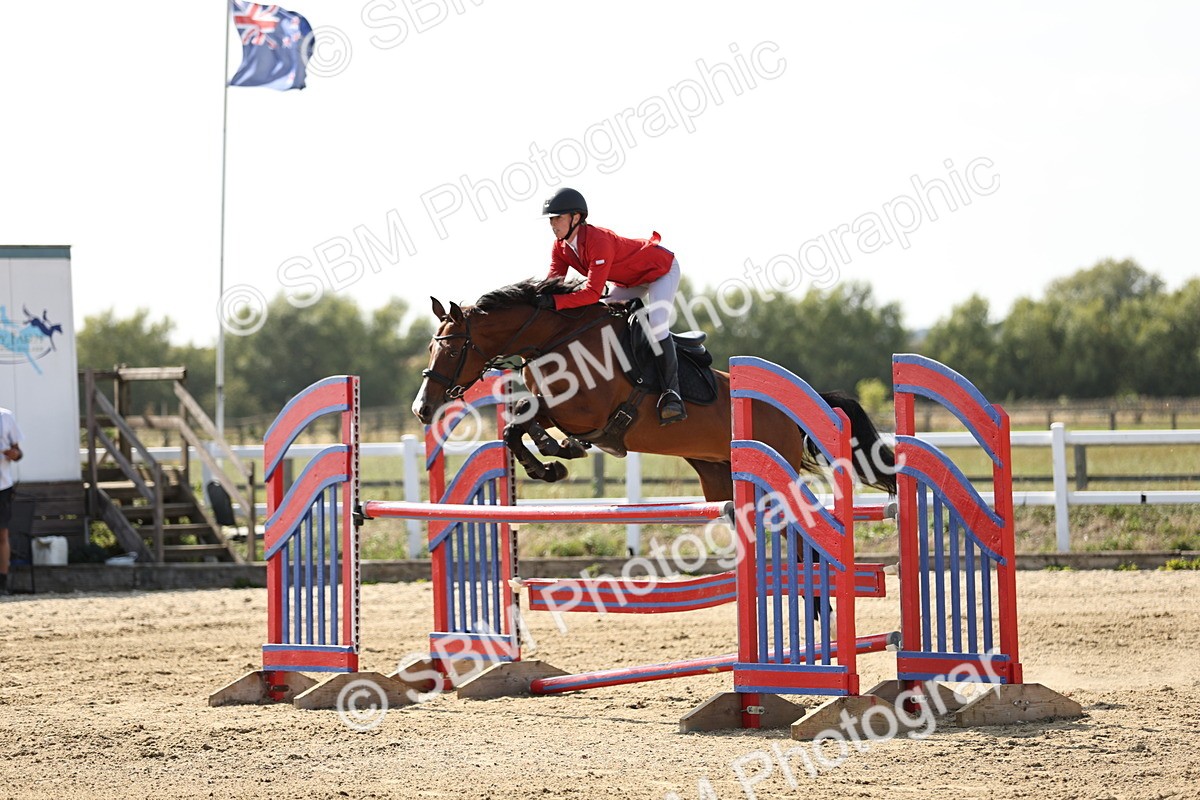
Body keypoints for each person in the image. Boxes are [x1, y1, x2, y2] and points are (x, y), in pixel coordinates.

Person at [538, 187, 687, 425]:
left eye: (558, 218)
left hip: (660, 270)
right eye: (551, 219)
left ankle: (672, 394)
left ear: (576, 218)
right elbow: (552, 284)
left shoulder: (598, 240)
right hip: (629, 280)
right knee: (599, 317)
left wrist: (555, 302)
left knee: (658, 323)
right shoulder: (560, 247)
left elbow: (591, 293)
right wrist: (537, 301)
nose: (553, 224)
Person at [0, 406, 23, 596]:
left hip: (2, 485)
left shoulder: (5, 416)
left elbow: (18, 452)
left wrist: (14, 454)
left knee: (2, 535)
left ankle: (3, 581)